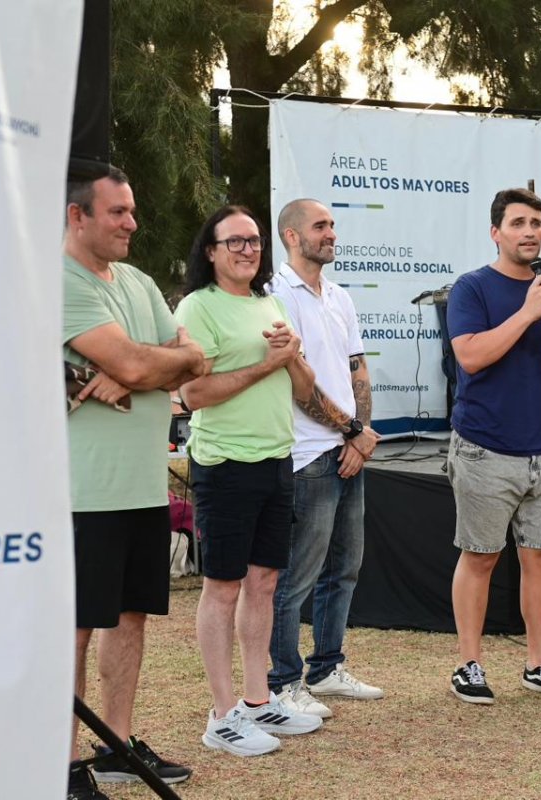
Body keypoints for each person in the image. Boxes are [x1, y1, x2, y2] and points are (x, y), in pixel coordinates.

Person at [62, 166, 207, 800]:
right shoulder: (58, 281)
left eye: (131, 210)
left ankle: (116, 748)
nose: (132, 223)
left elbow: (195, 357)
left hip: (143, 489)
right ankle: (61, 766)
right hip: (82, 493)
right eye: (117, 212)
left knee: (130, 619)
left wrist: (139, 369)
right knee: (73, 630)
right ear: (77, 216)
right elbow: (143, 360)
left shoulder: (139, 281)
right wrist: (142, 365)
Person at [175, 205, 322, 757]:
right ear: (210, 251)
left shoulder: (270, 302)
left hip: (276, 459)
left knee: (264, 583)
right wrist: (266, 364)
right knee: (223, 587)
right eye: (234, 241)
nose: (247, 249)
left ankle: (259, 701)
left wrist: (292, 358)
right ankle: (221, 716)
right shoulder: (198, 306)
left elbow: (302, 387)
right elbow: (194, 394)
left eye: (254, 240)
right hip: (225, 465)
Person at [445, 188, 541, 705]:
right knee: (480, 557)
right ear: (495, 232)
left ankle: (539, 664)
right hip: (485, 447)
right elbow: (471, 357)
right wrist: (526, 313)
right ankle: (469, 664)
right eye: (518, 223)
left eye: (536, 223)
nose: (530, 231)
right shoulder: (472, 288)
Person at [266, 199, 384, 719]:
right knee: (297, 576)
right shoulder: (276, 295)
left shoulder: (339, 295)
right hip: (307, 453)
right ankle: (282, 680)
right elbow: (297, 384)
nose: (332, 233)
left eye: (333, 225)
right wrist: (352, 432)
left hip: (346, 448)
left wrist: (358, 437)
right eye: (321, 226)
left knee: (345, 568)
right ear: (292, 236)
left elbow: (357, 367)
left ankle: (327, 667)